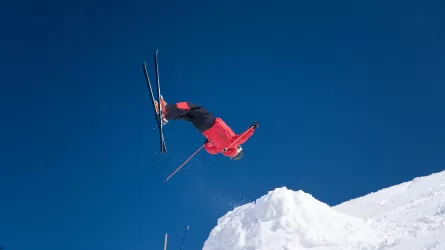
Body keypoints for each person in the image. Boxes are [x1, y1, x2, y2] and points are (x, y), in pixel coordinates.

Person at [154, 96, 258, 160]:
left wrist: (252, 128)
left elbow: (243, 137)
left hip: (209, 121)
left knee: (190, 107)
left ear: (238, 149)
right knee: (188, 115)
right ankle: (165, 113)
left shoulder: (233, 143)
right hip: (202, 129)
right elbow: (209, 150)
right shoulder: (220, 150)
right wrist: (207, 143)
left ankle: (166, 112)